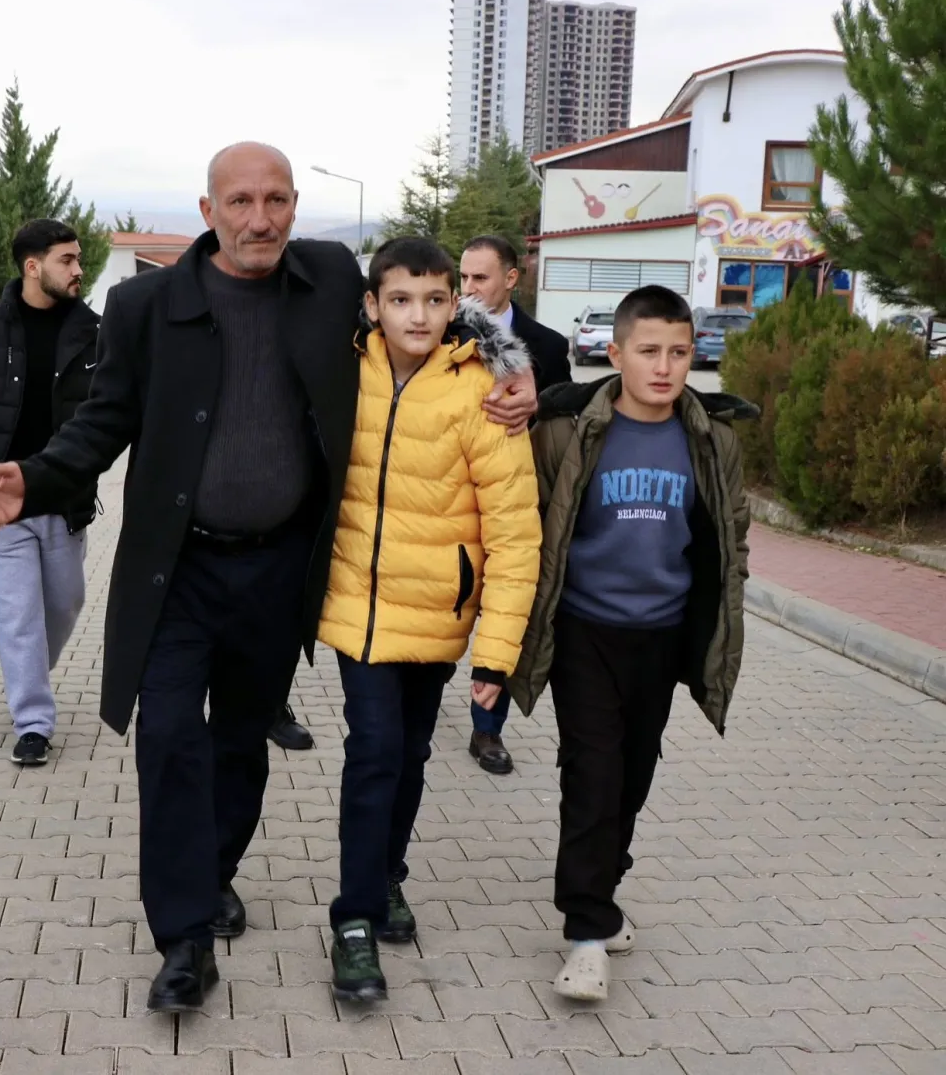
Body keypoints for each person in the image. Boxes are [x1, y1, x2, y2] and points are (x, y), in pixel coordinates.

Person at [0, 142, 540, 1013]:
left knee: (240, 742)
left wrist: (515, 371)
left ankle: (216, 873)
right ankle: (184, 940)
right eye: (240, 202)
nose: (259, 218)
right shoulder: (145, 305)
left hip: (279, 568)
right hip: (177, 570)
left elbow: (436, 308)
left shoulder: (328, 278)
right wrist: (37, 478)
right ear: (209, 212)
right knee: (169, 737)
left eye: (276, 200)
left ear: (295, 206)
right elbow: (104, 420)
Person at [507, 285, 752, 1002]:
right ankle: (586, 932)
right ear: (615, 355)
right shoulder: (568, 430)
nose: (664, 366)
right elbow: (530, 523)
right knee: (593, 773)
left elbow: (731, 533)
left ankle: (603, 895)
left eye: (679, 352)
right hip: (584, 629)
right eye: (649, 351)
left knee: (633, 775)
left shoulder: (711, 439)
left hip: (663, 634)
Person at [317, 238, 541, 1001]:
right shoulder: (342, 369)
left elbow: (515, 533)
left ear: (457, 306)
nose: (418, 316)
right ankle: (354, 919)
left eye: (436, 300)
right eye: (400, 300)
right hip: (356, 606)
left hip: (439, 613)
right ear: (372, 305)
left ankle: (387, 875)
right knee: (375, 750)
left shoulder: (484, 393)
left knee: (411, 752)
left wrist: (496, 655)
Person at [0, 220, 100, 766]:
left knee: (65, 604)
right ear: (33, 267)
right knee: (18, 617)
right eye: (67, 260)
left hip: (62, 499)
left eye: (78, 258)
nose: (79, 269)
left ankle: (29, 671)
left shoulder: (96, 333)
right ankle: (33, 722)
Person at [457, 234, 573, 776]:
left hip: (514, 503)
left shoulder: (547, 345)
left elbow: (565, 416)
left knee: (507, 612)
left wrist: (536, 405)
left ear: (510, 278)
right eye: (463, 277)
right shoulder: (444, 330)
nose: (468, 289)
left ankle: (487, 730)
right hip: (452, 501)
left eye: (480, 278)